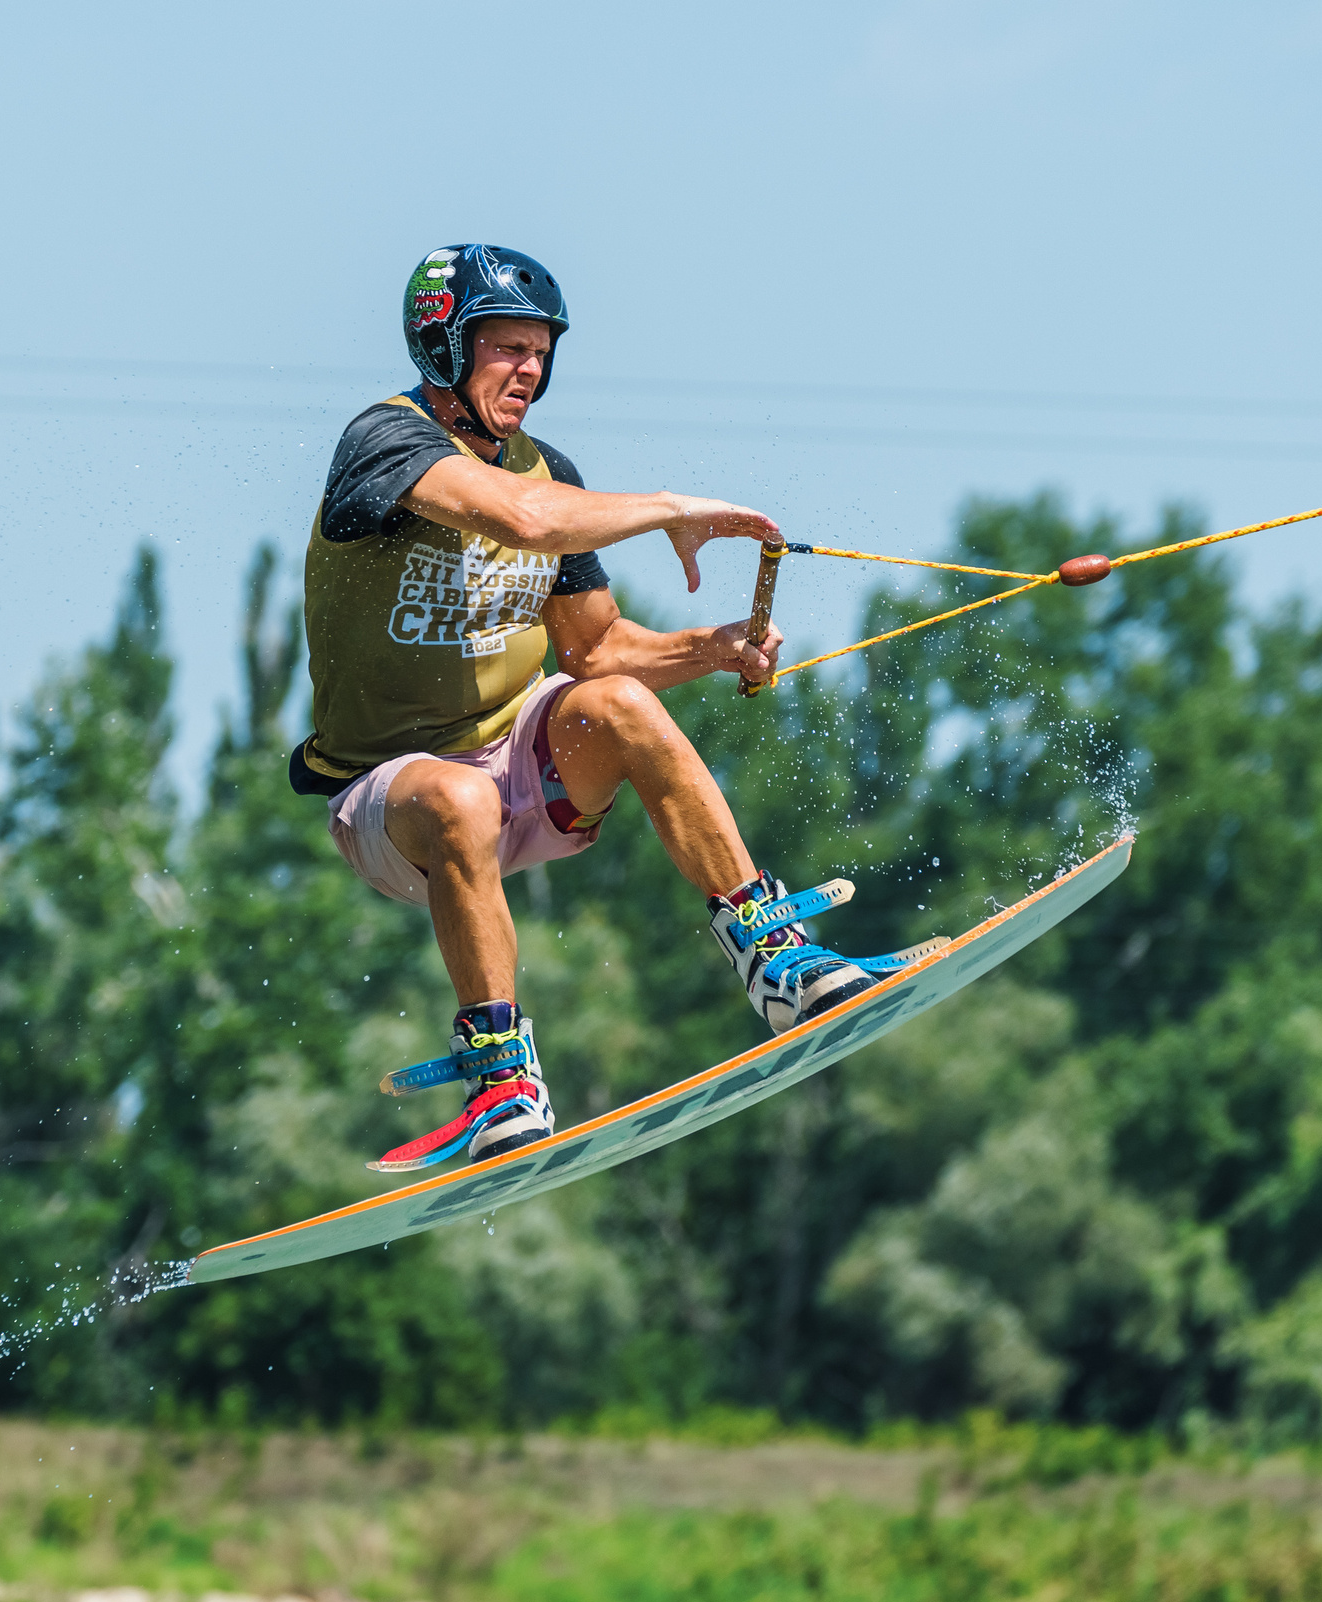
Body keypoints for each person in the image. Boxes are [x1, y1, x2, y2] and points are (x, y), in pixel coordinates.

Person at [294, 244, 909, 1172]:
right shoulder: (386, 442)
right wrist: (667, 507)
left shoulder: (554, 470)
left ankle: (770, 954)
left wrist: (714, 649)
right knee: (459, 802)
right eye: (504, 347)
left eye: (541, 351)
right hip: (393, 798)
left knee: (616, 701)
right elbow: (521, 521)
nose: (528, 370)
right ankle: (499, 1079)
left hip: (526, 767)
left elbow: (595, 649)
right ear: (443, 347)